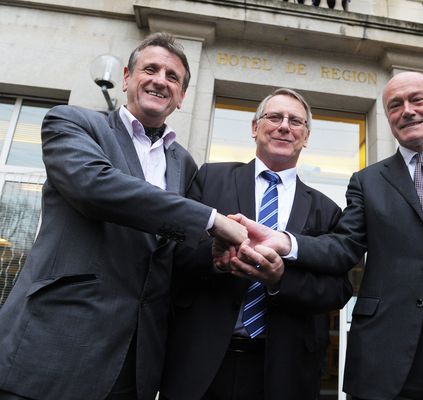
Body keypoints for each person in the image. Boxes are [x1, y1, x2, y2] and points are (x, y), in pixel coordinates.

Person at [229, 71, 423, 400]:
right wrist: (287, 242)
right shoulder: (367, 181)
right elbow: (344, 247)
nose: (407, 110)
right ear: (388, 116)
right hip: (387, 361)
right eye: (395, 105)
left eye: (416, 99)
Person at [0, 32, 246, 400]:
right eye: (151, 69)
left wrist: (216, 255)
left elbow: (171, 250)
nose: (160, 80)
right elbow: (95, 187)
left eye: (173, 77)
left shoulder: (185, 164)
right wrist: (213, 220)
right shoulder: (72, 122)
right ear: (128, 77)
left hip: (135, 362)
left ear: (181, 97)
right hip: (54, 346)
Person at [160, 88, 352, 400]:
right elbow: (172, 251)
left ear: (306, 136)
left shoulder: (326, 209)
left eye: (295, 121)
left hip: (282, 370)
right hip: (201, 361)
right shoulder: (210, 178)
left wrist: (280, 281)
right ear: (254, 127)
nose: (284, 126)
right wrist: (213, 255)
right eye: (274, 117)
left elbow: (338, 291)